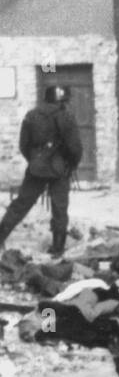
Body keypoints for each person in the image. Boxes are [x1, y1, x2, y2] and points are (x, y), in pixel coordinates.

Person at [0, 85, 82, 256]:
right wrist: (70, 165)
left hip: (36, 169)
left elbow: (24, 145)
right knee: (60, 208)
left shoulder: (31, 115)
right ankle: (58, 250)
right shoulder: (67, 116)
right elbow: (75, 148)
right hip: (60, 169)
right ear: (63, 101)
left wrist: (35, 161)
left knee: (20, 205)